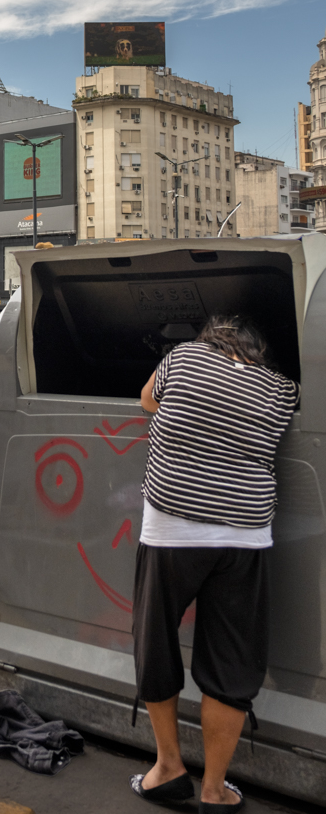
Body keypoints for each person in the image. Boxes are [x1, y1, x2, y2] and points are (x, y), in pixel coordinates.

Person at [129, 316, 299, 812]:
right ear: (259, 350)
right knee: (230, 660)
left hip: (171, 527)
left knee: (156, 641)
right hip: (244, 535)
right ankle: (214, 789)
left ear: (211, 338)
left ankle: (167, 769)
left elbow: (147, 400)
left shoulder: (181, 357)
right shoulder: (282, 388)